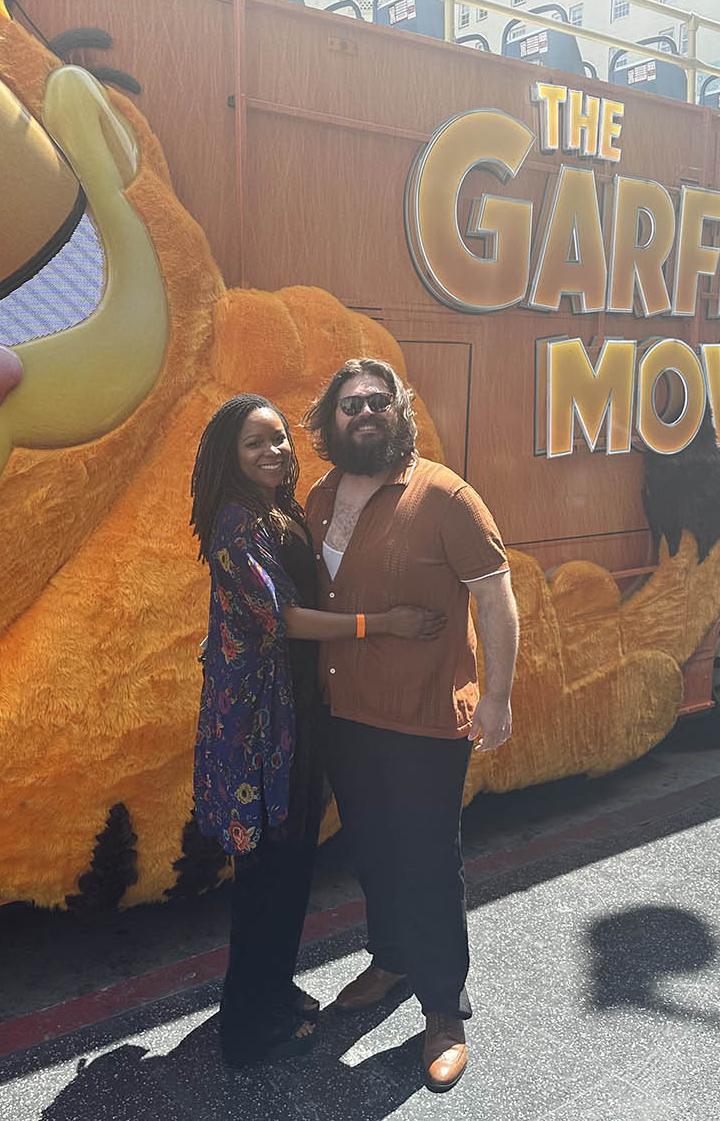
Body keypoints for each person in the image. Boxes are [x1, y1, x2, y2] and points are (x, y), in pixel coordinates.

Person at [189, 393, 445, 1067]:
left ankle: (274, 990)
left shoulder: (278, 509)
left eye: (278, 438)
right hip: (259, 726)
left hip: (294, 714)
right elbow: (289, 620)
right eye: (255, 444)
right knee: (265, 877)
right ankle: (246, 1027)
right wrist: (382, 623)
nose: (274, 451)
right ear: (228, 456)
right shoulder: (236, 526)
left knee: (291, 866)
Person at [301, 358, 520, 1092]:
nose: (364, 412)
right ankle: (391, 958)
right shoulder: (321, 493)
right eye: (349, 404)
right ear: (330, 422)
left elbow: (495, 598)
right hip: (346, 712)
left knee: (428, 861)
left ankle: (443, 1010)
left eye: (377, 401)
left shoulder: (448, 497)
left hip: (425, 718)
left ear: (400, 412)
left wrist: (497, 697)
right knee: (369, 848)